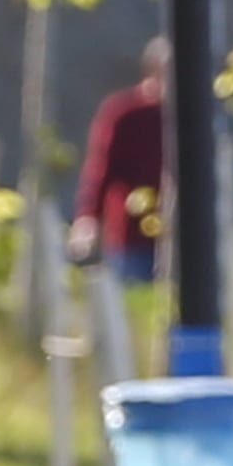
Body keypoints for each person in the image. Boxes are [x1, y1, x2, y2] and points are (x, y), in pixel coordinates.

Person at [70, 38, 171, 285]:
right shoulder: (124, 113)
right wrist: (88, 217)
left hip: (178, 237)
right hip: (132, 238)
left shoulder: (189, 117)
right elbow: (100, 170)